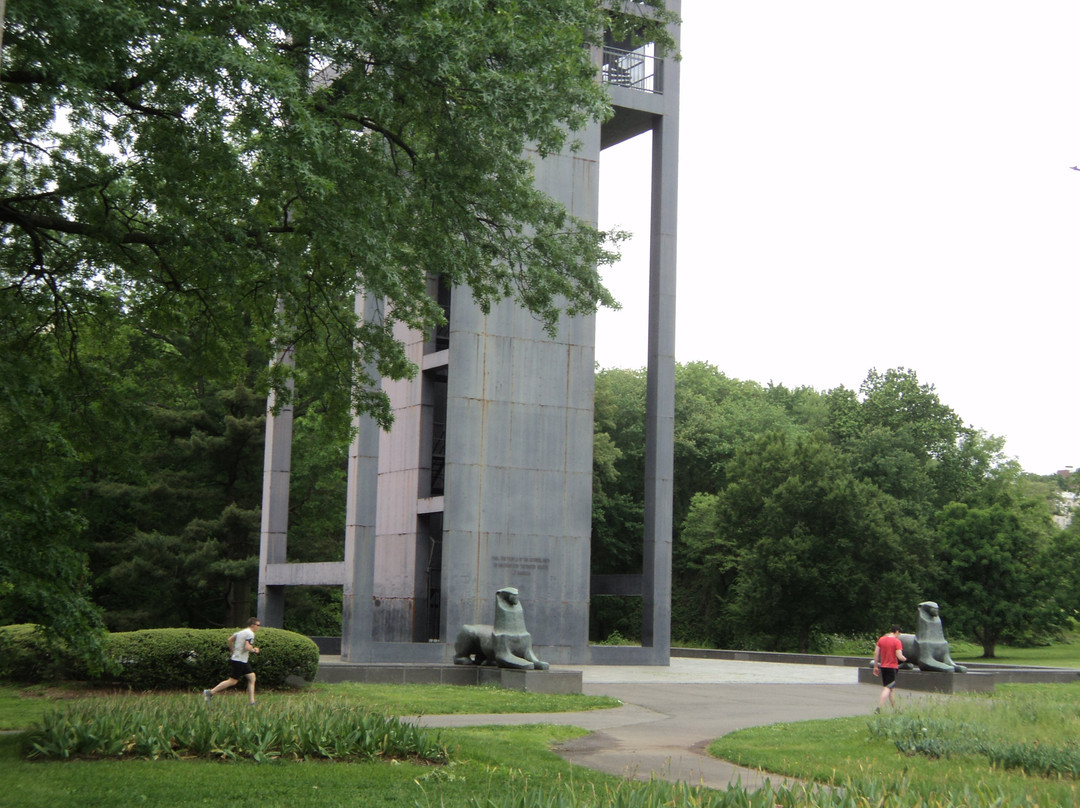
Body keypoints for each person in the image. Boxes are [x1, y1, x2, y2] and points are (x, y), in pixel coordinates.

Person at [203, 617, 261, 705]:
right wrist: (255, 650)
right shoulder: (250, 634)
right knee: (233, 681)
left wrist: (232, 650)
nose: (259, 627)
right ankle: (210, 693)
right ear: (253, 625)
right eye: (258, 625)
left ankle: (252, 701)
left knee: (252, 677)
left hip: (241, 659)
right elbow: (247, 647)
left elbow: (229, 640)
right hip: (239, 660)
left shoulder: (241, 632)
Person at [872, 624, 907, 711]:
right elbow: (899, 656)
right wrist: (905, 659)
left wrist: (876, 666)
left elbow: (876, 653)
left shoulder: (881, 639)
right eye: (899, 634)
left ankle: (895, 710)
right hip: (892, 667)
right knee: (887, 688)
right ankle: (879, 707)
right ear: (897, 632)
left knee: (891, 689)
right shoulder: (897, 641)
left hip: (883, 667)